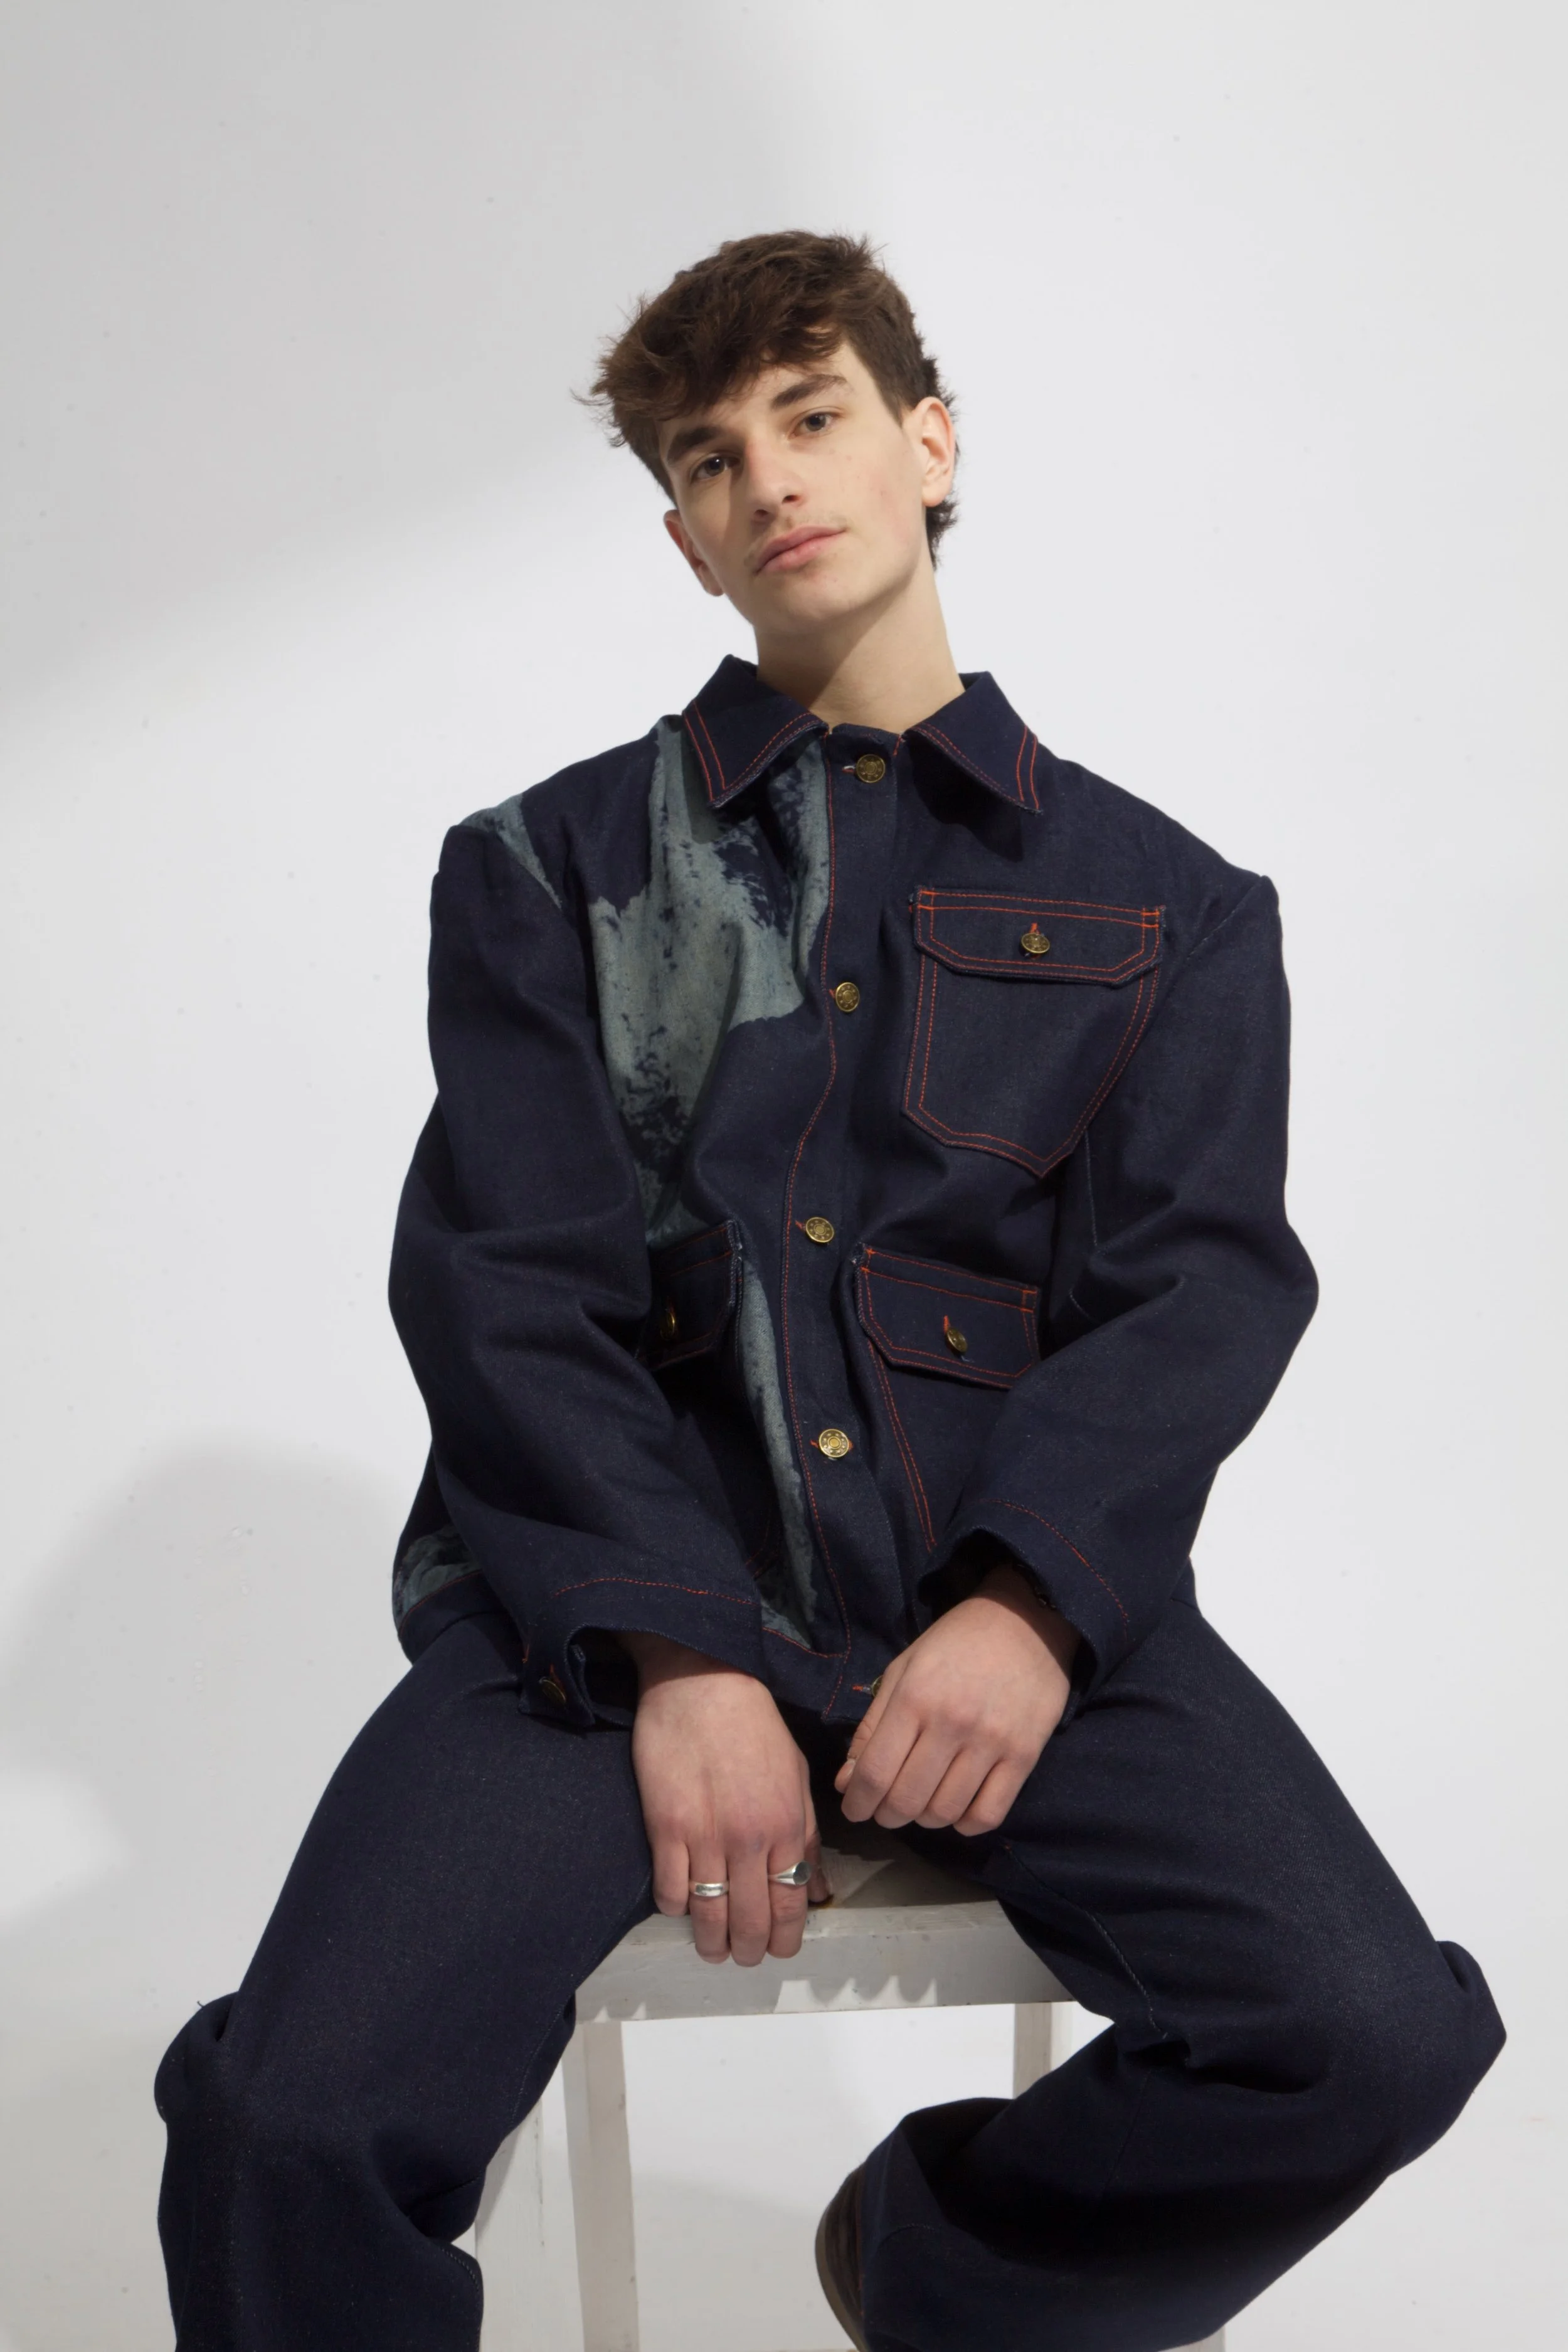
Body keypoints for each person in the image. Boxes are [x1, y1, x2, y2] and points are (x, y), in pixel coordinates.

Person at [154, 230, 1503, 2352]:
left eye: (812, 415)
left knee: (1364, 2035)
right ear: (684, 540)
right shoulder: (545, 871)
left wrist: (1030, 1605)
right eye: (710, 459)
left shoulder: (1170, 905)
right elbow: (507, 1292)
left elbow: (1197, 1290)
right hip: (600, 1619)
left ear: (926, 440)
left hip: (1000, 1601)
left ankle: (936, 2273)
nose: (769, 478)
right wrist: (681, 1655)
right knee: (290, 2120)